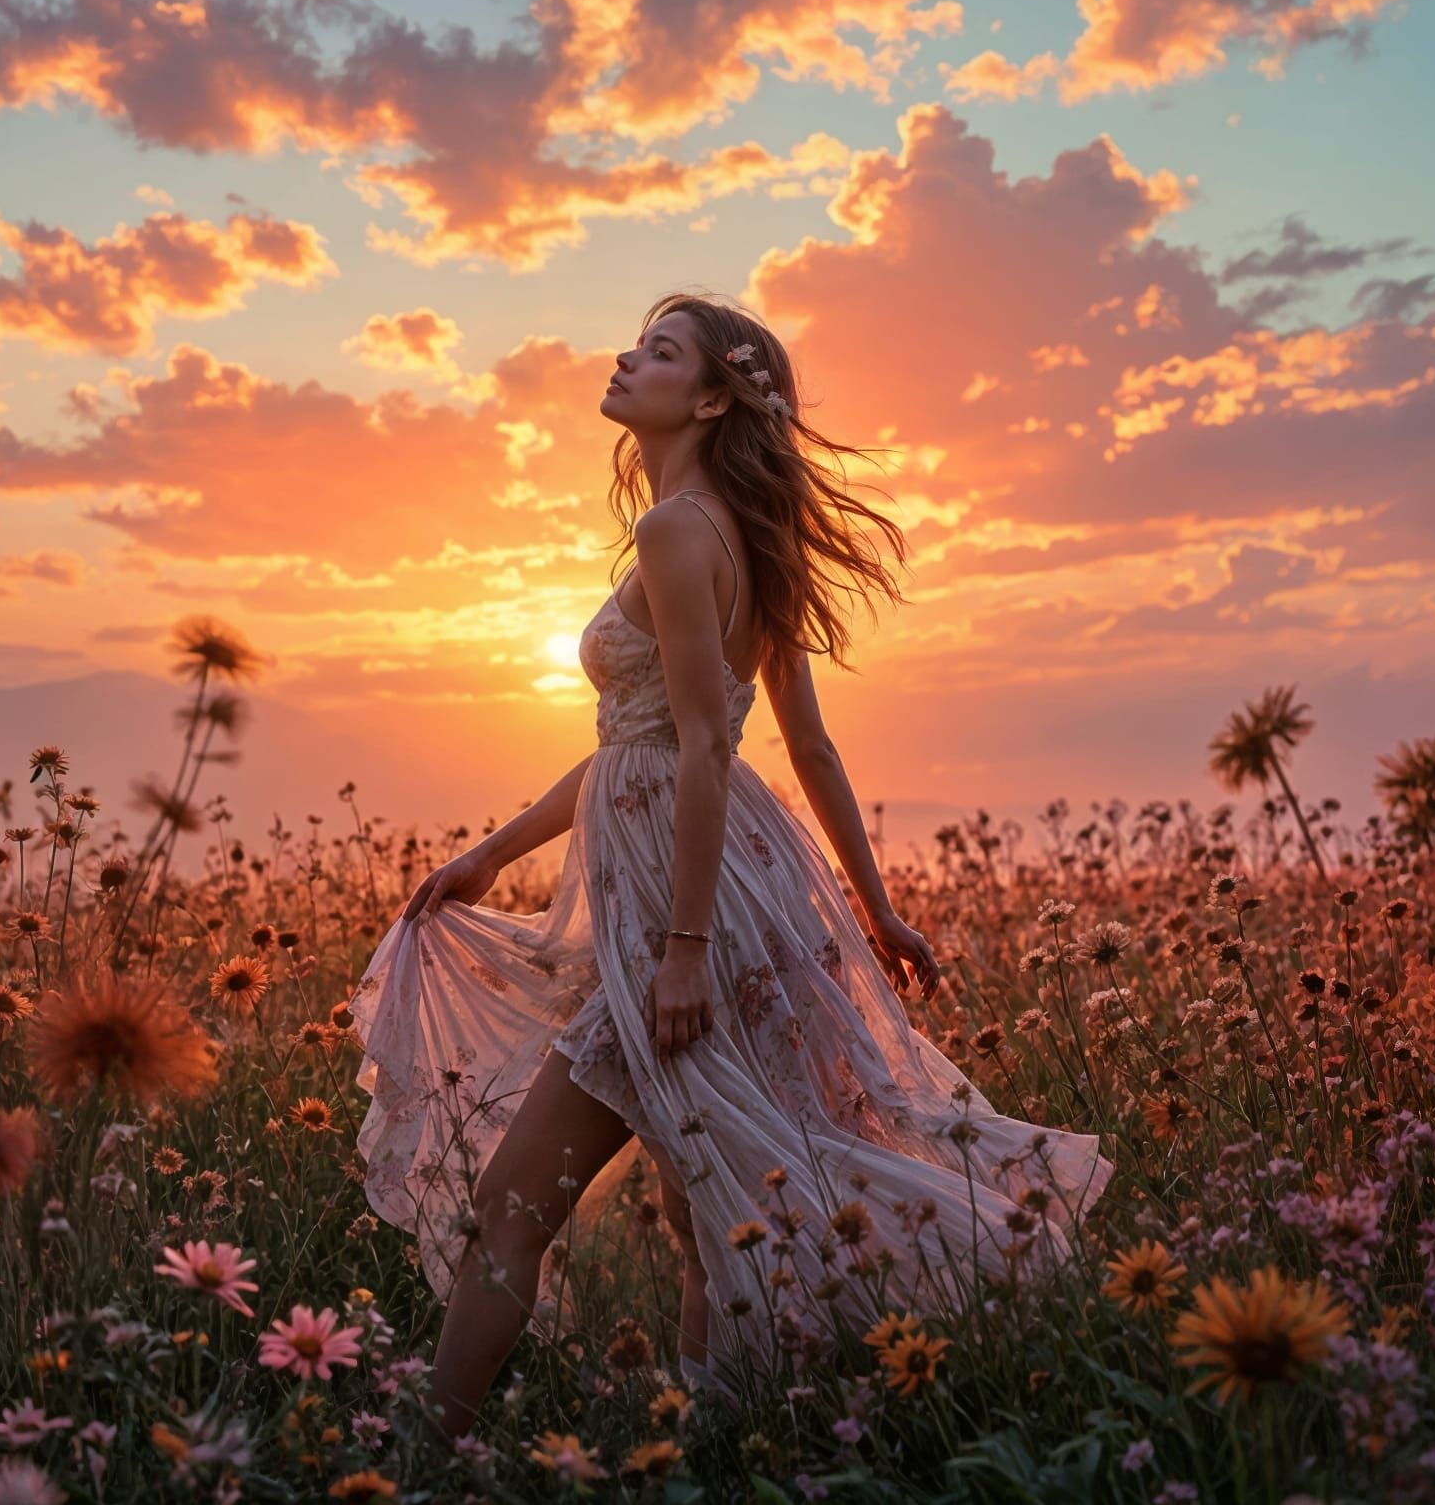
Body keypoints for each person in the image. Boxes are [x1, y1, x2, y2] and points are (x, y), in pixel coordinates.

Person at [347, 290, 1114, 1444]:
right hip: (731, 893)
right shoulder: (740, 535)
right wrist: (493, 853)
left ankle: (425, 1453)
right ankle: (723, 1443)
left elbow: (709, 743)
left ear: (708, 397)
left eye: (659, 352)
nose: (625, 357)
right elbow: (722, 746)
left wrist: (686, 949)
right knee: (709, 1200)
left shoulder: (676, 532)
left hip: (685, 914)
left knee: (523, 1204)